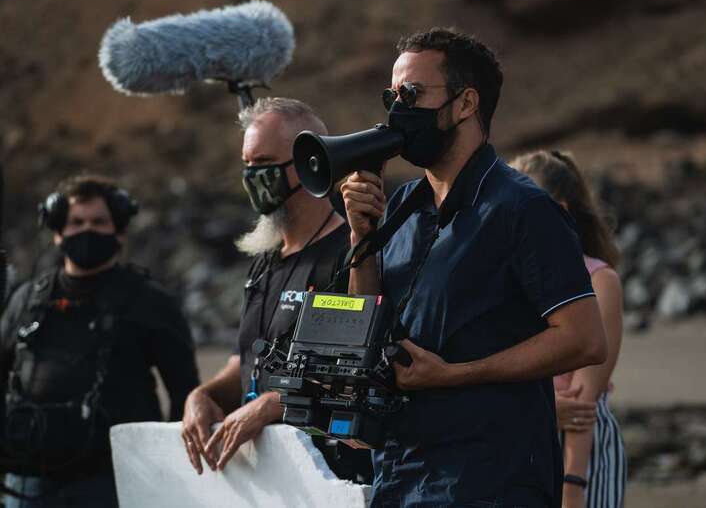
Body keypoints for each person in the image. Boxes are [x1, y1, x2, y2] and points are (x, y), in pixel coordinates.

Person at [342, 28, 608, 507]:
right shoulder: (403, 205)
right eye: (392, 95)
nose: (397, 109)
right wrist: (361, 237)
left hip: (488, 480)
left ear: (466, 104)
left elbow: (585, 337)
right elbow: (368, 317)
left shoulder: (521, 208)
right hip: (401, 474)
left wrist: (457, 374)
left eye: (413, 94)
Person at [180, 97, 373, 483]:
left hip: (330, 479)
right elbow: (247, 360)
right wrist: (202, 396)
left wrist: (274, 403)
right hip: (268, 481)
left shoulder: (352, 254)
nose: (252, 176)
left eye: (264, 164)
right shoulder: (265, 261)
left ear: (310, 164)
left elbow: (350, 373)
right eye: (247, 165)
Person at [0, 174, 199, 507]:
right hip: (28, 480)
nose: (86, 230)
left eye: (98, 222)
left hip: (114, 480)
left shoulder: (150, 302)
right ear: (57, 230)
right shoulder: (27, 298)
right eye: (76, 222)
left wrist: (164, 470)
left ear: (119, 230)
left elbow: (186, 393)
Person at [511, 150, 626, 508]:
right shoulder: (506, 278)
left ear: (559, 210)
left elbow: (582, 401)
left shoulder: (598, 280)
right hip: (518, 435)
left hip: (579, 450)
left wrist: (573, 485)